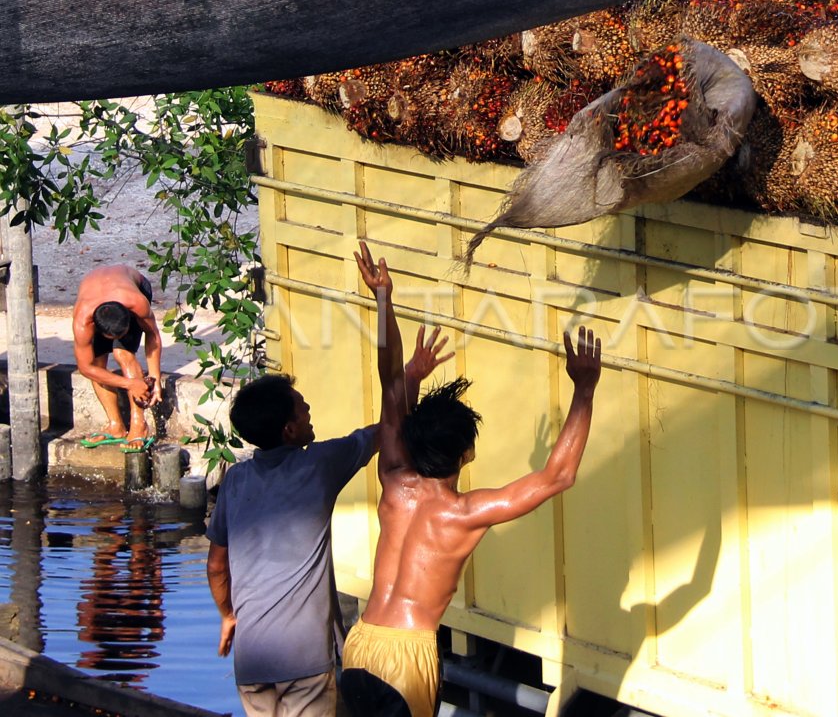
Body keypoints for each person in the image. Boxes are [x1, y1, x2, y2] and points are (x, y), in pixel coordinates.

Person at [340, 243, 603, 717]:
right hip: (409, 655)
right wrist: (584, 390)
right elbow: (558, 475)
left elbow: (390, 379)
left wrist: (383, 300)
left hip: (360, 645)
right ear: (467, 454)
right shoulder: (463, 513)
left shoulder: (393, 480)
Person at [205, 241, 452, 717]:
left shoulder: (235, 483)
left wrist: (229, 615)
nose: (309, 408)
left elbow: (217, 566)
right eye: (302, 407)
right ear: (289, 429)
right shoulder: (319, 465)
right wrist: (411, 370)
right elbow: (391, 427)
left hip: (251, 663)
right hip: (306, 663)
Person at [71, 264, 164, 450]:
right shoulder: (82, 321)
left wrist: (155, 377)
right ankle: (116, 426)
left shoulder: (136, 302)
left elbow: (153, 335)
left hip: (132, 283)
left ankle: (139, 425)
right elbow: (86, 368)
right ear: (97, 329)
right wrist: (130, 384)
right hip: (94, 292)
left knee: (123, 353)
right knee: (97, 362)